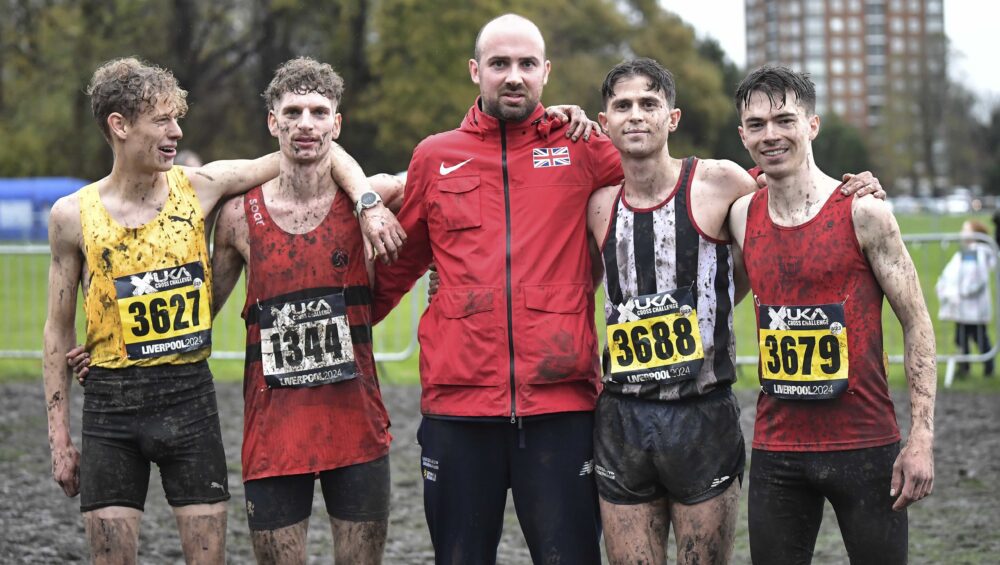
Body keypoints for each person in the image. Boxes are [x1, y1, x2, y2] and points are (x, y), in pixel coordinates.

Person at [43, 56, 402, 564]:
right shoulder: (75, 215)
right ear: (119, 127)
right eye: (162, 120)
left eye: (176, 118)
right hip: (121, 406)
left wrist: (366, 198)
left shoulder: (201, 186)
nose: (176, 130)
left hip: (198, 403)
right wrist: (69, 421)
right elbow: (67, 329)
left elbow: (312, 152)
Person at [584, 58, 883, 565]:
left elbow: (790, 201)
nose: (635, 116)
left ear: (671, 118)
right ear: (604, 120)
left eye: (649, 104)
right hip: (622, 416)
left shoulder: (720, 181)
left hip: (702, 412)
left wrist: (857, 189)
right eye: (623, 106)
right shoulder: (598, 204)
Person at [371, 13, 625, 564]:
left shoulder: (583, 147)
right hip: (459, 407)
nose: (514, 76)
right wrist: (341, 320)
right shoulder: (434, 156)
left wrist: (783, 184)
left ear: (546, 73)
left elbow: (664, 182)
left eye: (526, 64)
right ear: (475, 71)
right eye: (500, 64)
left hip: (561, 405)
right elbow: (399, 262)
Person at [727, 65, 936, 565]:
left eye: (784, 119)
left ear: (813, 124)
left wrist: (922, 438)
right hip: (779, 450)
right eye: (756, 124)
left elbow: (918, 322)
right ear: (742, 135)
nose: (770, 134)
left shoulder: (863, 212)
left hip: (865, 445)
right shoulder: (741, 215)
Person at [209, 56, 403, 565]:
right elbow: (198, 312)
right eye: (292, 112)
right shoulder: (237, 217)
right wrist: (113, 348)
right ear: (272, 122)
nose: (305, 124)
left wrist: (546, 121)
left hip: (356, 426)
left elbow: (456, 166)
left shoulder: (374, 199)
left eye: (319, 112)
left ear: (337, 125)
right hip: (274, 432)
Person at [936, 219, 996, 377]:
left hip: (973, 307)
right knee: (961, 337)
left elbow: (979, 279)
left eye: (966, 229)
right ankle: (965, 367)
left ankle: (988, 367)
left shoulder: (978, 253)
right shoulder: (968, 251)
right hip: (963, 307)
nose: (962, 233)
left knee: (979, 337)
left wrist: (963, 292)